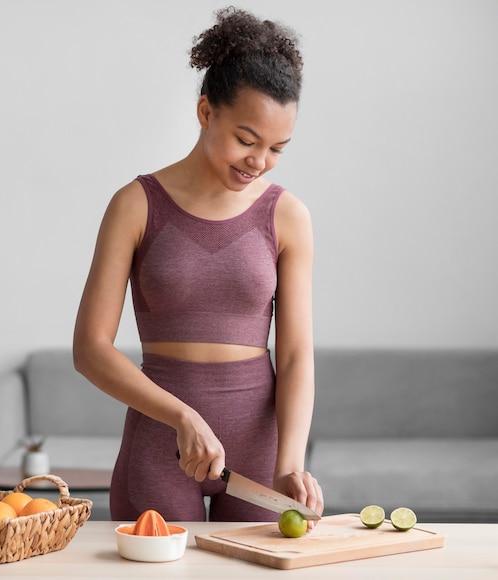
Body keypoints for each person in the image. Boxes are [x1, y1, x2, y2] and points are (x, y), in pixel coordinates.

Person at [73, 6, 324, 523]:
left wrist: (291, 463)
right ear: (206, 111)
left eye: (278, 148)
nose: (259, 161)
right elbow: (90, 349)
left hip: (260, 451)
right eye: (247, 140)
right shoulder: (136, 205)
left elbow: (296, 354)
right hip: (159, 443)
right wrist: (181, 414)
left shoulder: (288, 217)